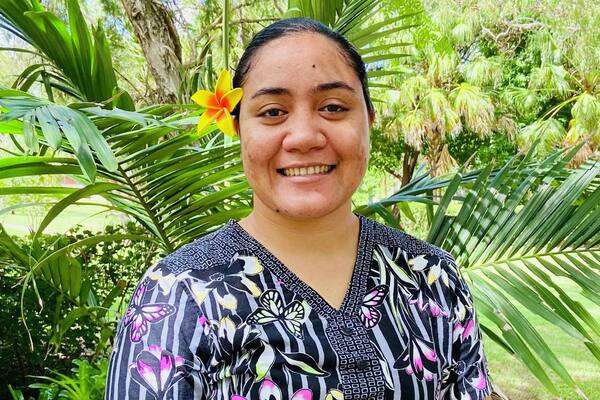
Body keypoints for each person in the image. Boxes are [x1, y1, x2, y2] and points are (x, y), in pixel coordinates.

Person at [105, 17, 492, 400]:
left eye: (334, 107)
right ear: (238, 129)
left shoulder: (433, 280)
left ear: (368, 122)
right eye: (273, 112)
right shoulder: (179, 295)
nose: (304, 136)